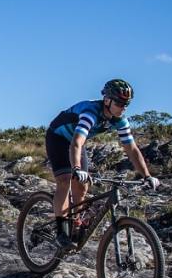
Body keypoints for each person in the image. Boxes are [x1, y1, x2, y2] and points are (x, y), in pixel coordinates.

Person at [46, 79, 160, 247]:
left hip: (76, 143)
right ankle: (61, 232)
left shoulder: (120, 120)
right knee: (65, 180)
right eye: (120, 103)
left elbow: (132, 149)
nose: (123, 107)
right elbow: (76, 142)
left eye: (126, 104)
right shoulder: (90, 112)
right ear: (107, 100)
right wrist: (77, 168)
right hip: (58, 138)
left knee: (82, 186)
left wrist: (147, 176)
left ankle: (75, 223)